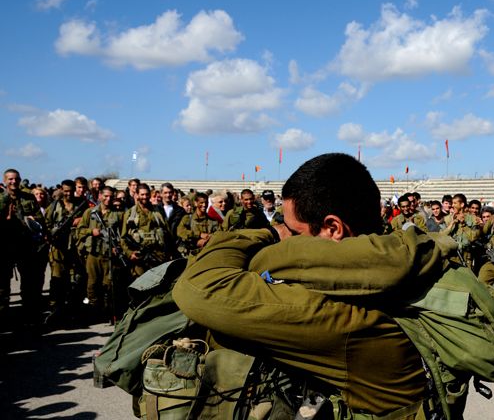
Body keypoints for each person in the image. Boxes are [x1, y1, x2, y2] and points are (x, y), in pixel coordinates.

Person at [173, 153, 443, 417]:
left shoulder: (345, 315)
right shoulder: (399, 272)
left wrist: (267, 233)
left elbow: (198, 287)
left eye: (292, 231)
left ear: (333, 229)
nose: (285, 238)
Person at [1, 168, 47, 325]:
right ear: (5, 180)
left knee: (29, 284)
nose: (14, 182)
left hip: (25, 246)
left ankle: (28, 319)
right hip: (5, 247)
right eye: (10, 179)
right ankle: (4, 319)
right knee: (2, 287)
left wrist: (34, 220)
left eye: (16, 179)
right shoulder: (1, 198)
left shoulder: (28, 197)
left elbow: (41, 220)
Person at [76, 186, 125, 321]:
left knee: (109, 285)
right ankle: (94, 311)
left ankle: (107, 311)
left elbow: (123, 234)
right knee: (92, 284)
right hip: (93, 253)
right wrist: (91, 232)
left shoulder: (118, 214)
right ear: (99, 196)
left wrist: (118, 247)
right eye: (105, 196)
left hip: (109, 254)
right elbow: (79, 231)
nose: (108, 199)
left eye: (111, 197)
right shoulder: (89, 213)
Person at [45, 179, 89, 321]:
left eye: (70, 190)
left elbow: (87, 221)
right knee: (57, 278)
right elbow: (46, 223)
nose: (68, 193)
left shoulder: (80, 205)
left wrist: (80, 220)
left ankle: (73, 308)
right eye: (65, 190)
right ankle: (55, 308)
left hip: (75, 246)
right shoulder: (54, 206)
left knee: (76, 278)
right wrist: (52, 233)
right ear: (61, 190)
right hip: (58, 247)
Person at [121, 184, 170, 277]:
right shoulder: (130, 214)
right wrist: (130, 254)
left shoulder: (158, 211)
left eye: (147, 194)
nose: (145, 197)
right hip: (140, 257)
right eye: (142, 194)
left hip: (158, 255)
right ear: (137, 195)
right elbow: (123, 237)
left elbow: (167, 233)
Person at [176, 193, 219, 257]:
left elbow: (218, 234)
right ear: (195, 203)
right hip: (190, 254)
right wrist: (199, 235)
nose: (204, 205)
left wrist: (208, 239)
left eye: (206, 202)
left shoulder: (213, 221)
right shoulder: (188, 219)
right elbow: (180, 232)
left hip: (206, 253)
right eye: (201, 203)